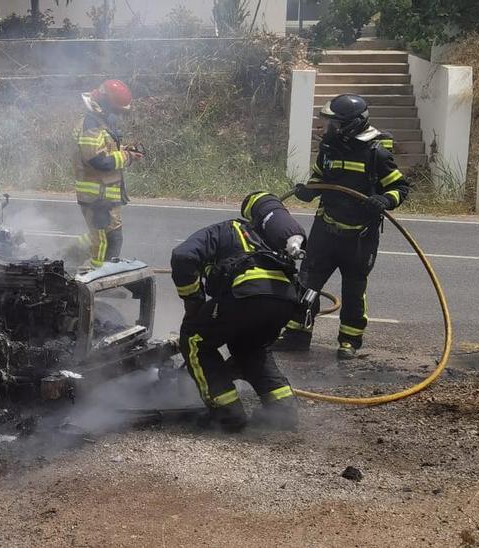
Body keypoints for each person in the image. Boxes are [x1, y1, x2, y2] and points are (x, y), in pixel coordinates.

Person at [276, 94, 410, 360]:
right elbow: (319, 176)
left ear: (351, 124)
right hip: (326, 230)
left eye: (334, 123)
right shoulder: (329, 148)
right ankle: (296, 335)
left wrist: (384, 199)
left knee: (353, 289)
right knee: (307, 285)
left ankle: (349, 341)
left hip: (359, 237)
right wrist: (310, 190)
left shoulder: (376, 153)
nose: (328, 128)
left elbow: (400, 187)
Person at [171, 191, 309, 432]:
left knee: (194, 339)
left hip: (246, 296)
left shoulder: (226, 229)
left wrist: (193, 301)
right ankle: (283, 411)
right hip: (284, 303)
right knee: (251, 348)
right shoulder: (274, 240)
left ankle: (227, 415)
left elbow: (183, 256)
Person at [73, 79, 143, 270]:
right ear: (105, 102)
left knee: (109, 237)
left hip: (106, 195)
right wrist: (127, 156)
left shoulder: (101, 119)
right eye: (116, 109)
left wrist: (125, 149)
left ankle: (68, 257)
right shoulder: (90, 124)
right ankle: (100, 282)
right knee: (103, 241)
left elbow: (105, 149)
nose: (117, 113)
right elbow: (97, 160)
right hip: (96, 197)